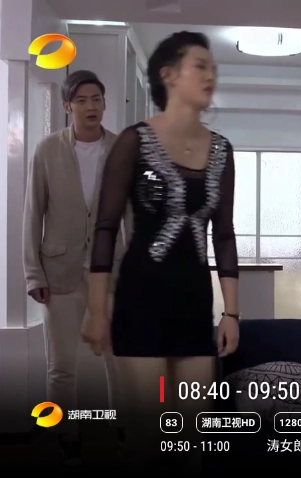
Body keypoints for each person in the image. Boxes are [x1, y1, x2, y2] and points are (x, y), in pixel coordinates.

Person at [81, 31, 240, 472]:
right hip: (140, 302)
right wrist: (98, 310)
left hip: (194, 305)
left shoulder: (222, 151)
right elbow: (105, 229)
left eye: (213, 68)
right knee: (148, 439)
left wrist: (231, 313)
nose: (210, 76)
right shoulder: (133, 141)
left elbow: (224, 235)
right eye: (200, 66)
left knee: (191, 439)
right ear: (168, 75)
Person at [22, 70, 127, 467]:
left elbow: (132, 216)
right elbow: (32, 214)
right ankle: (68, 437)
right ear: (67, 106)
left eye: (96, 99)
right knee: (62, 366)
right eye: (81, 100)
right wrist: (33, 273)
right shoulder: (47, 150)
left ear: (104, 104)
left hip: (110, 272)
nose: (90, 107)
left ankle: (124, 432)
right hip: (59, 272)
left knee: (121, 360)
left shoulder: (121, 149)